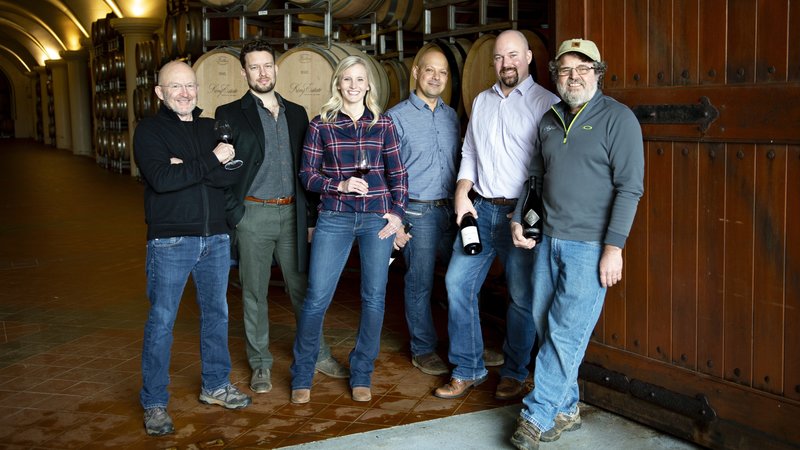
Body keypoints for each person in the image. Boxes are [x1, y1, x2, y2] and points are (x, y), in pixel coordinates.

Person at [508, 39, 644, 450]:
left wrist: (614, 247)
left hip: (590, 247)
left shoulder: (618, 119)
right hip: (548, 239)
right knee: (543, 323)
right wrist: (519, 218)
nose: (574, 76)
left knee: (566, 333)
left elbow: (630, 188)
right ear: (556, 76)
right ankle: (567, 409)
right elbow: (534, 178)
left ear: (598, 73)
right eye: (566, 70)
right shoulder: (549, 119)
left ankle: (536, 414)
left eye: (583, 68)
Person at [215, 39, 347, 395]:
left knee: (304, 290)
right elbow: (223, 172)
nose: (262, 72)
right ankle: (260, 364)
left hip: (292, 213)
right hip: (253, 214)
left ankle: (317, 353)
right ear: (244, 72)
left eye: (267, 65)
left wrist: (311, 219)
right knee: (254, 294)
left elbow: (310, 169)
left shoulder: (298, 112)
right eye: (254, 67)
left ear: (276, 68)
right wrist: (236, 214)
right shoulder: (229, 113)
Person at [434, 30, 560, 401]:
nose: (506, 63)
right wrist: (461, 191)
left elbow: (547, 169)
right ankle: (467, 368)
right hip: (481, 208)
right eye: (500, 57)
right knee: (457, 284)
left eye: (513, 55)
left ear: (528, 57)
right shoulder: (482, 101)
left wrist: (527, 214)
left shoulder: (547, 104)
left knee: (521, 297)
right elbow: (469, 152)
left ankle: (515, 371)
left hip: (520, 214)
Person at [134, 60, 251, 437]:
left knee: (217, 315)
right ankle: (154, 402)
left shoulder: (210, 127)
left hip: (215, 237)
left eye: (190, 86)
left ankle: (215, 385)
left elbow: (229, 174)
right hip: (171, 240)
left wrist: (190, 166)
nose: (185, 94)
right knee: (163, 320)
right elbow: (162, 179)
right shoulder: (148, 131)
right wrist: (210, 161)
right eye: (175, 87)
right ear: (160, 93)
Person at [290, 55, 408, 404]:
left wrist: (398, 214)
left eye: (360, 79)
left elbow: (398, 175)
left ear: (369, 85)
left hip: (376, 220)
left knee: (374, 298)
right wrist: (338, 186)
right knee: (316, 298)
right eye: (347, 79)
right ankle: (302, 372)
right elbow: (306, 175)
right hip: (335, 217)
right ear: (337, 84)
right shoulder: (321, 125)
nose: (354, 86)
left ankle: (362, 372)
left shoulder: (383, 124)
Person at [385, 48, 460, 376]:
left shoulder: (451, 115)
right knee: (420, 283)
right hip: (417, 212)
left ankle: (464, 344)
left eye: (442, 73)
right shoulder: (396, 117)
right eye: (430, 70)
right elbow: (384, 172)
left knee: (461, 281)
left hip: (451, 212)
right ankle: (423, 348)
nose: (436, 78)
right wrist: (395, 220)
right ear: (416, 72)